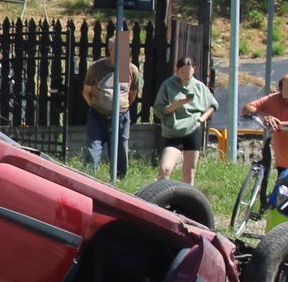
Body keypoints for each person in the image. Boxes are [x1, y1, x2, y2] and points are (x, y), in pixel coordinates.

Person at [82, 35, 141, 179]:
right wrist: (98, 107)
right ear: (110, 50)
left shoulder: (129, 69)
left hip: (121, 117)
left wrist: (121, 108)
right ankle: (90, 182)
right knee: (93, 151)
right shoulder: (97, 68)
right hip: (98, 116)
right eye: (120, 50)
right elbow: (86, 92)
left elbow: (131, 94)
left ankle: (120, 183)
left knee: (120, 150)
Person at [154, 57, 219, 185]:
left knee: (189, 172)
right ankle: (160, 198)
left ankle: (187, 202)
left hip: (193, 130)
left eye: (189, 73)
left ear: (194, 70)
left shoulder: (199, 86)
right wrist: (180, 103)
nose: (185, 76)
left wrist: (202, 119)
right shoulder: (168, 85)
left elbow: (214, 105)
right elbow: (159, 110)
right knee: (165, 169)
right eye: (182, 72)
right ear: (177, 70)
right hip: (174, 132)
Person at [240, 74, 288, 172]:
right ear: (281, 90)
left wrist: (279, 124)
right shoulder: (273, 99)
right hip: (283, 161)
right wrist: (263, 115)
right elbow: (246, 108)